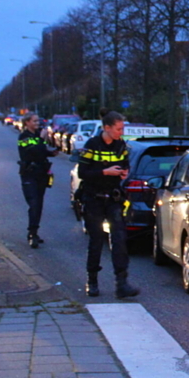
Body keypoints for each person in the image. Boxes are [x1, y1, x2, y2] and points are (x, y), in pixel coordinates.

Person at [78, 111, 140, 299]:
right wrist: (105, 172)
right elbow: (82, 172)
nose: (121, 132)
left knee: (120, 239)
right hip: (94, 198)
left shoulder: (121, 146)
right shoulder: (92, 145)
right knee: (96, 240)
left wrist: (123, 173)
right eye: (119, 129)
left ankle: (122, 283)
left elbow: (125, 165)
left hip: (113, 199)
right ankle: (92, 281)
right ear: (107, 128)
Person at [17, 112, 59, 249]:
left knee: (39, 204)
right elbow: (31, 151)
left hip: (41, 174)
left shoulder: (38, 135)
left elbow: (41, 151)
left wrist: (52, 152)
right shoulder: (24, 137)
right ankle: (31, 233)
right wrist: (42, 140)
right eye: (34, 121)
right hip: (29, 174)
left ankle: (34, 231)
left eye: (37, 121)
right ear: (27, 122)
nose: (37, 123)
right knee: (34, 203)